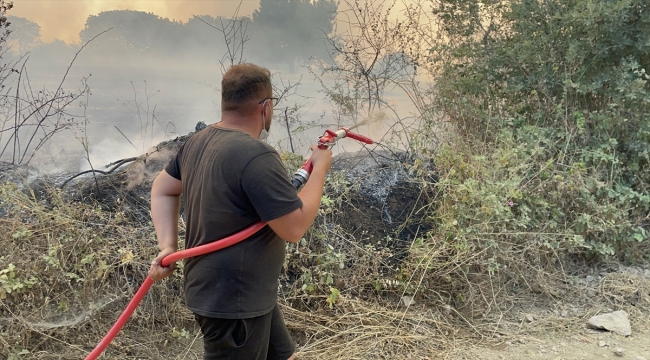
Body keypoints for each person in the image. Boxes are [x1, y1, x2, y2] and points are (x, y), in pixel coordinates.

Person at [148, 63, 332, 360]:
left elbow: (162, 189)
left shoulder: (198, 141)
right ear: (266, 107)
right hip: (234, 302)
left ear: (225, 102)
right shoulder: (256, 154)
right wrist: (320, 168)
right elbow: (294, 228)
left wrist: (168, 246)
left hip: (243, 293)